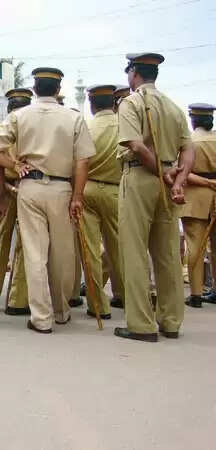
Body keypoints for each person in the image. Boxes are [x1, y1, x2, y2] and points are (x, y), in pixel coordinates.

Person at [0, 67, 96, 334]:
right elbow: (83, 161)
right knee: (62, 254)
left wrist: (14, 164)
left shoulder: (19, 115)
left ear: (34, 89)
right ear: (58, 90)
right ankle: (61, 311)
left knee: (35, 254)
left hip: (30, 187)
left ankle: (41, 318)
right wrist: (78, 197)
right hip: (61, 189)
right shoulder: (73, 118)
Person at [114, 53, 195, 342]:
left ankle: (141, 325)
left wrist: (162, 172)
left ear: (134, 73)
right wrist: (178, 179)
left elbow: (135, 145)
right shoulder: (173, 107)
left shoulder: (131, 102)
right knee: (168, 253)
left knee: (135, 252)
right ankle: (171, 321)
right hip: (169, 180)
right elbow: (188, 149)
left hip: (140, 177)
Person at [0, 88, 33, 315]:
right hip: (28, 187)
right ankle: (17, 301)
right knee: (25, 245)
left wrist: (2, 191)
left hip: (6, 186)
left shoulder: (2, 128)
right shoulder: (35, 127)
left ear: (9, 107)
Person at [81, 84, 125, 320]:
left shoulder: (85, 126)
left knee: (90, 251)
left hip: (86, 189)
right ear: (114, 103)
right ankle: (126, 296)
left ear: (91, 103)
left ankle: (97, 305)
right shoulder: (125, 125)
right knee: (120, 248)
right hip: (116, 191)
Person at [181, 103, 216, 308]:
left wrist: (206, 182)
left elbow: (183, 172)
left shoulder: (189, 141)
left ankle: (195, 294)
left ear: (193, 120)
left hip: (196, 197)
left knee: (195, 246)